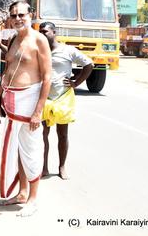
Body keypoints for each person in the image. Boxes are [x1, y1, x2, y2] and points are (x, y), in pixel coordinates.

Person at [0, 1, 51, 217]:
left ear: (31, 15)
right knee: (17, 148)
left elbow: (47, 78)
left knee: (31, 149)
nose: (17, 18)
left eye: (21, 15)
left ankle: (33, 198)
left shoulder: (40, 41)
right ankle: (22, 192)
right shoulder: (14, 39)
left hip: (29, 103)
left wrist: (38, 111)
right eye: (14, 15)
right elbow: (7, 71)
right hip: (11, 100)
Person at [39, 21, 94, 180]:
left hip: (63, 97)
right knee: (43, 134)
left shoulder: (67, 50)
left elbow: (89, 64)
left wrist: (76, 82)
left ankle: (62, 167)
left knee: (62, 134)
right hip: (45, 97)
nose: (42, 34)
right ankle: (44, 167)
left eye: (45, 32)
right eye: (40, 32)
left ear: (54, 33)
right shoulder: (39, 51)